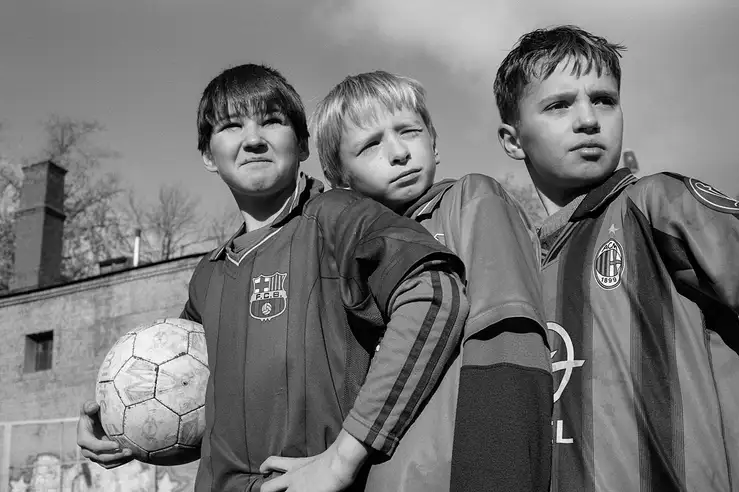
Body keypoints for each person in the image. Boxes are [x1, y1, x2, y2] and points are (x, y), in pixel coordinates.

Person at [77, 63, 470, 492]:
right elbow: (199, 407)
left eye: (271, 121)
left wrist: (343, 457)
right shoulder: (207, 278)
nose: (253, 139)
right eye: (231, 126)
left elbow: (435, 293)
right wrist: (128, 432)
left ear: (301, 145)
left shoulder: (339, 218)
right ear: (208, 155)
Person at [493, 25, 739, 492]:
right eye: (560, 104)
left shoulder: (658, 203)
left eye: (604, 99)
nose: (588, 120)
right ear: (512, 140)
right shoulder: (513, 273)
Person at [305, 70, 553, 491]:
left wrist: (502, 478)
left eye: (409, 131)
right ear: (340, 178)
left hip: (463, 474)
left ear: (434, 142)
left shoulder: (471, 200)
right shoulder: (354, 254)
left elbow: (510, 343)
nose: (399, 152)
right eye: (370, 145)